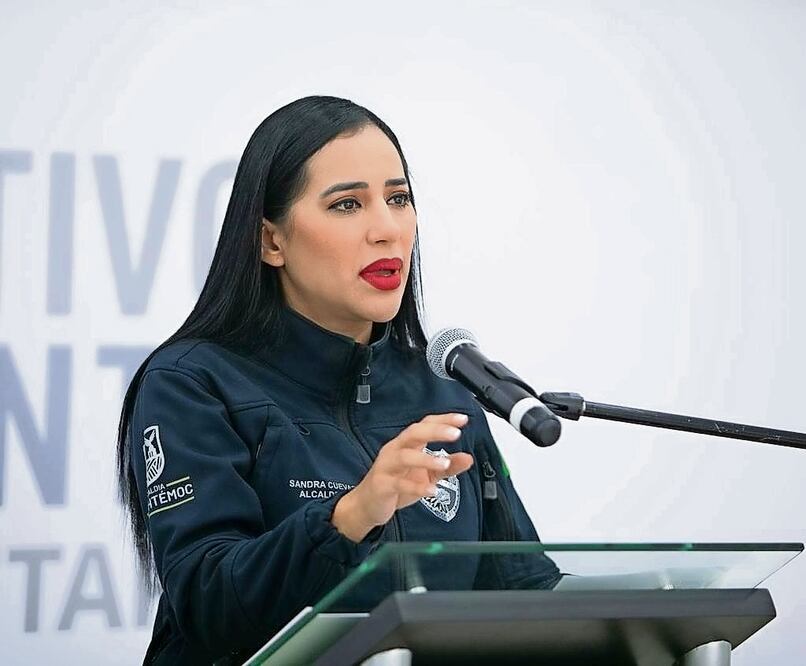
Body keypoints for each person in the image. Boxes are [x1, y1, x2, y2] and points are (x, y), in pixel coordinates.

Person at [116, 95, 559, 665]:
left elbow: (525, 592)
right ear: (271, 240)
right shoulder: (193, 383)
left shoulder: (444, 391)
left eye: (399, 199)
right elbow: (210, 605)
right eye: (348, 204)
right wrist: (350, 517)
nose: (387, 230)